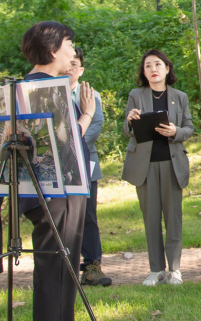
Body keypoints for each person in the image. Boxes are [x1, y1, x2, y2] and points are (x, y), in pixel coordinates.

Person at [19, 21, 94, 320]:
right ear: (52, 50)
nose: (73, 51)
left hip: (45, 192)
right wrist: (87, 113)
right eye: (69, 45)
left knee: (57, 269)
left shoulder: (29, 84)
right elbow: (63, 146)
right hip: (59, 192)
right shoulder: (47, 88)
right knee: (59, 271)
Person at [123, 49, 194, 286]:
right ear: (144, 72)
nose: (153, 69)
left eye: (157, 64)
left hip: (172, 163)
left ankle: (174, 270)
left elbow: (189, 128)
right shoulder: (136, 95)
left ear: (166, 68)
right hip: (145, 165)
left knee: (173, 218)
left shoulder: (179, 96)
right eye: (147, 66)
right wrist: (131, 120)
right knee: (151, 218)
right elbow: (127, 130)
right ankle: (156, 270)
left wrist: (176, 132)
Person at [68, 47, 112, 286]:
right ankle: (67, 266)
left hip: (86, 161)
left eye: (74, 65)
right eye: (67, 64)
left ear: (81, 69)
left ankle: (92, 265)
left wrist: (72, 145)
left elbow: (95, 125)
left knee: (88, 215)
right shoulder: (51, 93)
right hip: (59, 165)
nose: (69, 69)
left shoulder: (90, 95)